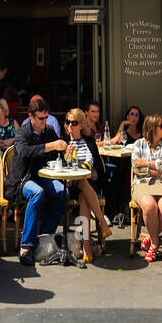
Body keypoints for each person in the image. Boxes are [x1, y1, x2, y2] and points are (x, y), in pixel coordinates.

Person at [5, 95, 68, 266]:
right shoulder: (22, 132)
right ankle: (26, 246)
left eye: (46, 117)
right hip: (21, 179)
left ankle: (44, 238)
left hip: (44, 176)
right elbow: (25, 152)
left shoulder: (49, 131)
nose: (44, 121)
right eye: (41, 118)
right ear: (31, 117)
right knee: (37, 193)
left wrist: (65, 151)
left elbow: (57, 153)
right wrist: (50, 146)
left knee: (63, 192)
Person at [64, 107, 111, 262]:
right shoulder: (64, 143)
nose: (70, 125)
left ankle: (86, 246)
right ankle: (102, 223)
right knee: (82, 181)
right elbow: (61, 167)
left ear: (81, 125)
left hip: (90, 183)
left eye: (74, 123)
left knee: (84, 196)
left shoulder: (89, 142)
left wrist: (85, 171)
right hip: (71, 184)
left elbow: (93, 164)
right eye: (68, 122)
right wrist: (67, 157)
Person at [131, 115, 162, 263]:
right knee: (150, 206)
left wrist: (146, 163)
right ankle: (155, 245)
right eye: (161, 126)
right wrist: (157, 170)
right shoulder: (138, 144)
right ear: (152, 128)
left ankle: (151, 236)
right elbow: (137, 169)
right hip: (142, 183)